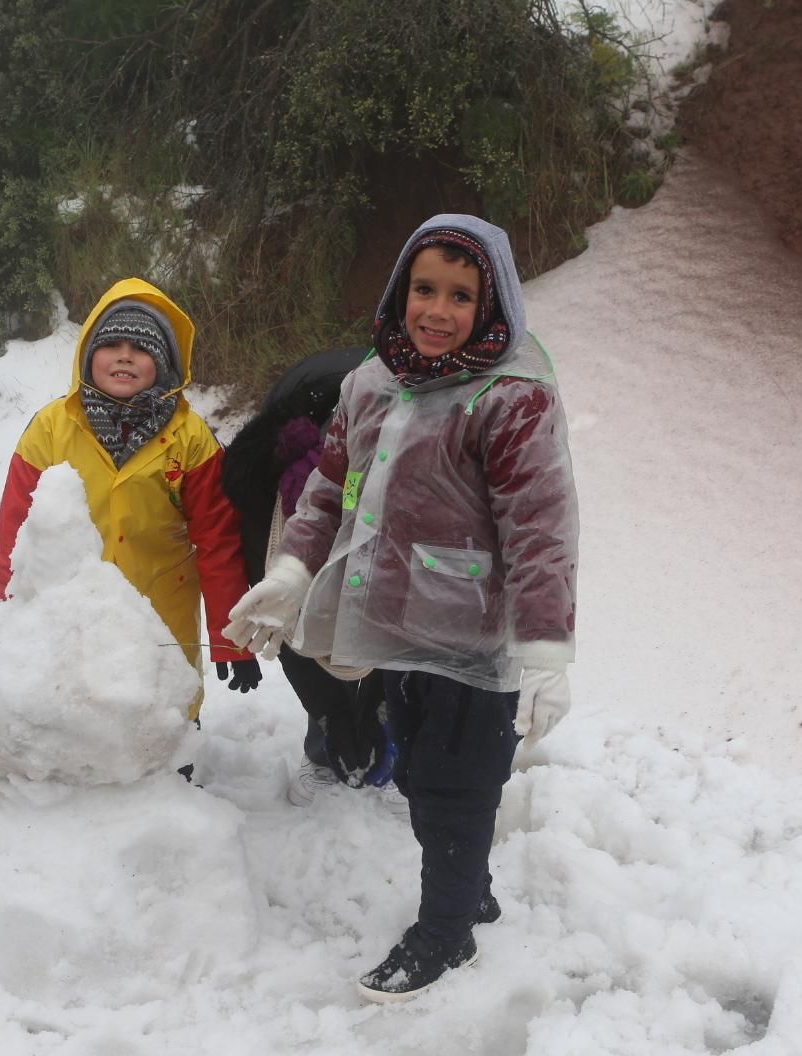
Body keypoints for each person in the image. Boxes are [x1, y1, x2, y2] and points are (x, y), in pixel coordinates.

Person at [226, 214, 578, 1001]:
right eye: (424, 288)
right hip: (393, 624)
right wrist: (291, 570)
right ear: (399, 290)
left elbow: (540, 528)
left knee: (457, 785)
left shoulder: (509, 398)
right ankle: (471, 890)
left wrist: (545, 650)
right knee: (419, 772)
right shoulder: (371, 382)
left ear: (494, 305)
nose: (436, 309)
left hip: (474, 638)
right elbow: (326, 487)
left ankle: (445, 934)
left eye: (461, 293)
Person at [0, 278, 261, 722]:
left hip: (162, 604)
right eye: (110, 344)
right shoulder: (52, 427)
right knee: (75, 707)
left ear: (165, 363)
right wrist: (10, 613)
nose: (124, 356)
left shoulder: (191, 437)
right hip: (70, 605)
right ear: (87, 354)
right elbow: (14, 528)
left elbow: (218, 542)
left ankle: (178, 765)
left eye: (141, 348)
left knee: (163, 709)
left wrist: (231, 639)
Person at [220, 345, 394, 798]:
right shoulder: (265, 503)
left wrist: (383, 712)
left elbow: (420, 622)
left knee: (394, 617)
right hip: (300, 434)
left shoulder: (408, 488)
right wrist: (330, 715)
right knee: (301, 608)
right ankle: (323, 746)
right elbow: (289, 628)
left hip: (389, 498)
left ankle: (398, 739)